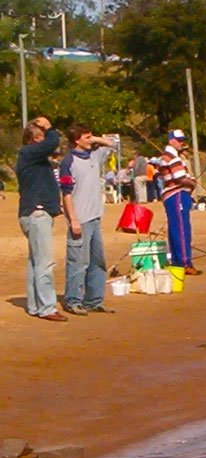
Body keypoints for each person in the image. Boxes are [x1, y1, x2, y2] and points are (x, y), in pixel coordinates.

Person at [59, 122, 115, 316]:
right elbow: (66, 194)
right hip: (80, 218)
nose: (90, 139)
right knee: (78, 262)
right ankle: (73, 300)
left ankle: (94, 300)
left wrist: (95, 139)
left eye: (91, 136)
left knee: (97, 262)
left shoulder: (94, 154)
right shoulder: (68, 162)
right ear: (77, 140)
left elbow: (111, 143)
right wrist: (73, 219)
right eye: (86, 137)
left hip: (95, 217)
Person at [16, 116, 67, 322]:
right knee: (44, 262)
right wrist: (49, 127)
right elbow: (53, 141)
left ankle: (36, 305)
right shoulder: (28, 153)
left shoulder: (30, 158)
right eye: (41, 137)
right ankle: (47, 307)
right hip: (37, 213)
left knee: (35, 262)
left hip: (33, 213)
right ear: (35, 139)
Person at [159, 130, 199, 275]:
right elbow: (181, 178)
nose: (182, 143)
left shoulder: (170, 156)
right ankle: (184, 262)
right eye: (179, 140)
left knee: (176, 228)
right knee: (182, 229)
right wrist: (193, 183)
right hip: (176, 194)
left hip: (175, 195)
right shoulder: (172, 157)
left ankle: (178, 261)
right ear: (171, 140)